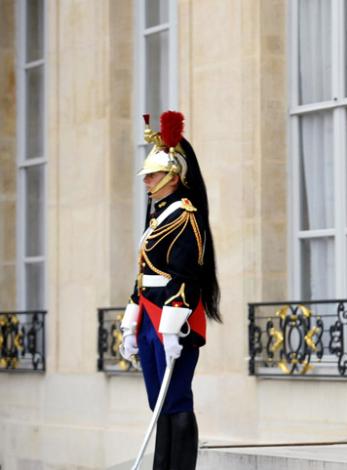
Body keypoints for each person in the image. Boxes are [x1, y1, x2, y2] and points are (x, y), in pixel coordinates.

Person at [119, 110, 221, 470]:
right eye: (147, 175)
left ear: (173, 176)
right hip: (149, 314)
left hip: (172, 319)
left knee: (176, 400)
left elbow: (186, 276)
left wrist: (173, 327)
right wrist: (131, 323)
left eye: (154, 175)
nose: (147, 181)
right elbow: (144, 272)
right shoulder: (157, 218)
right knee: (158, 402)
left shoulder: (186, 216)